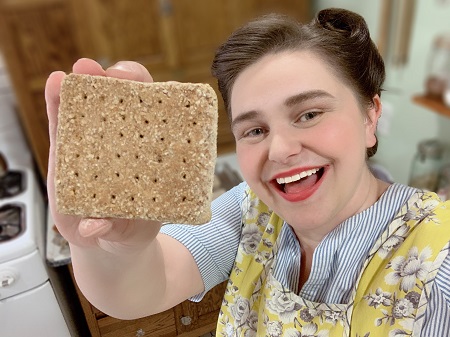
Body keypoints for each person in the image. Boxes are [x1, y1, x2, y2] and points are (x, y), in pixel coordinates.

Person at [45, 8, 450, 336]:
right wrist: (115, 249)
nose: (280, 149)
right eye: (254, 130)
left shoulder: (439, 262)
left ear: (369, 114)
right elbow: (140, 290)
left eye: (309, 114)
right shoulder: (250, 210)